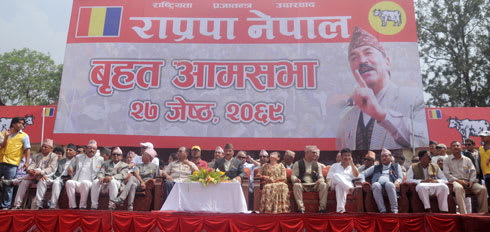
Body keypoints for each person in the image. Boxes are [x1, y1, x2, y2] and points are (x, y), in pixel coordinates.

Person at [336, 26, 427, 151]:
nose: (362, 61)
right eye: (354, 58)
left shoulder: (412, 99)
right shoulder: (348, 118)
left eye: (368, 53)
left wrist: (382, 115)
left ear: (387, 62)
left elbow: (424, 140)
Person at [11, 139, 58, 209]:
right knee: (24, 182)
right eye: (42, 146)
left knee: (40, 176)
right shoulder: (37, 156)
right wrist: (30, 170)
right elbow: (32, 165)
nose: (43, 148)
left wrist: (40, 172)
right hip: (33, 176)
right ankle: (17, 205)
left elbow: (51, 168)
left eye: (45, 147)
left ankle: (38, 204)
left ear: (51, 148)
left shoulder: (54, 156)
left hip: (46, 177)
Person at [443, 141, 488, 214]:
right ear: (451, 149)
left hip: (468, 181)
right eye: (453, 146)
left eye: (457, 146)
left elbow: (473, 171)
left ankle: (483, 213)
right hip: (455, 182)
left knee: (482, 189)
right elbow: (447, 174)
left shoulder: (467, 159)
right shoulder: (447, 160)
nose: (456, 147)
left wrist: (471, 181)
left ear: (461, 148)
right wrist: (458, 181)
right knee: (458, 188)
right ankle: (463, 213)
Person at [0, 117, 31, 209]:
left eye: (23, 123)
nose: (21, 125)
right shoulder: (3, 133)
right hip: (1, 161)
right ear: (13, 124)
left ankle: (5, 206)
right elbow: (2, 145)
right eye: (19, 123)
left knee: (8, 186)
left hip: (12, 164)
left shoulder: (24, 136)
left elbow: (27, 149)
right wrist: (6, 137)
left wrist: (26, 162)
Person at [35, 143, 77, 209]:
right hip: (57, 177)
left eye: (70, 150)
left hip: (68, 179)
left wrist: (71, 174)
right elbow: (56, 173)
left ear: (75, 153)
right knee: (42, 180)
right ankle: (38, 204)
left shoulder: (77, 161)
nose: (67, 151)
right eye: (67, 150)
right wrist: (47, 176)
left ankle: (52, 206)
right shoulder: (62, 161)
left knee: (56, 183)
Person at [65, 140, 104, 209]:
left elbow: (102, 170)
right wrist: (70, 167)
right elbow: (71, 164)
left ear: (96, 150)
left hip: (90, 184)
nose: (92, 150)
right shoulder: (79, 157)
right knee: (69, 182)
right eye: (90, 148)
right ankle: (72, 206)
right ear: (86, 149)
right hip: (78, 182)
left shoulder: (100, 159)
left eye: (94, 149)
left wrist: (100, 177)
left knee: (84, 183)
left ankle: (82, 206)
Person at [362, 148, 403, 213]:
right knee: (375, 184)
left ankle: (394, 210)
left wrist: (398, 181)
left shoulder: (396, 166)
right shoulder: (376, 167)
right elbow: (362, 174)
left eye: (386, 156)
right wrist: (363, 181)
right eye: (382, 156)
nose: (384, 158)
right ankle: (382, 210)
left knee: (389, 184)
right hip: (378, 189)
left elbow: (401, 178)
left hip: (391, 187)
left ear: (390, 157)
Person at [291, 145, 328, 213]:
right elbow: (293, 176)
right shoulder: (298, 163)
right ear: (307, 153)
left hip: (314, 184)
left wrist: (321, 180)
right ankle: (301, 208)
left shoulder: (317, 165)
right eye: (313, 152)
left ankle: (322, 208)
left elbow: (320, 176)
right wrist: (295, 179)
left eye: (316, 153)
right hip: (302, 184)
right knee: (296, 185)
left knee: (324, 185)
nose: (315, 154)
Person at [326, 148, 360, 213]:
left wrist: (352, 163)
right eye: (345, 155)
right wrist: (328, 186)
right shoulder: (334, 166)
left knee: (339, 186)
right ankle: (350, 189)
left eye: (348, 155)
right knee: (336, 175)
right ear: (341, 157)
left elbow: (356, 175)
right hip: (334, 183)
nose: (347, 157)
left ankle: (340, 210)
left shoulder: (352, 167)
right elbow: (329, 178)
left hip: (345, 184)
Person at [479, 131, 490, 198]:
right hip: (485, 174)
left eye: (484, 136)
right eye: (481, 137)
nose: (482, 138)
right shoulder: (480, 148)